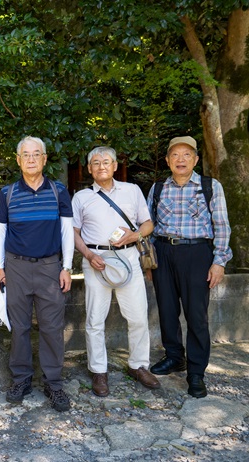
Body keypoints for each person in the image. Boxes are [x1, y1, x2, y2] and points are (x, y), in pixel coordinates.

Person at [0, 136, 74, 412]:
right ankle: (22, 379)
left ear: (44, 159)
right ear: (18, 160)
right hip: (16, 266)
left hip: (50, 266)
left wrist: (67, 267)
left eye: (36, 154)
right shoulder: (8, 194)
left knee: (52, 326)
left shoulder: (58, 191)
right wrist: (0, 267)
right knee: (19, 326)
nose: (30, 159)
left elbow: (66, 230)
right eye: (25, 154)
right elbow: (0, 232)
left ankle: (53, 383)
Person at [147, 136, 232, 398]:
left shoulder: (209, 186)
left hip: (197, 253)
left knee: (196, 314)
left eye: (186, 155)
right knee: (167, 310)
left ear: (195, 159)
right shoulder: (158, 188)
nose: (180, 160)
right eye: (175, 155)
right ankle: (174, 356)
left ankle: (196, 371)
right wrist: (149, 260)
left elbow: (222, 225)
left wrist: (219, 261)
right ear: (167, 160)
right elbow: (148, 224)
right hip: (163, 252)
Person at [72, 146, 160, 397]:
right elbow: (73, 233)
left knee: (138, 316)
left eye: (106, 162)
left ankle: (138, 365)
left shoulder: (131, 191)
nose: (101, 166)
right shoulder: (81, 197)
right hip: (95, 259)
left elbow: (148, 223)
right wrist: (88, 255)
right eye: (95, 162)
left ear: (114, 166)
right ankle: (99, 371)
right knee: (94, 319)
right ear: (89, 168)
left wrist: (134, 235)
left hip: (129, 257)